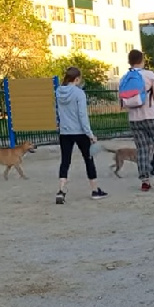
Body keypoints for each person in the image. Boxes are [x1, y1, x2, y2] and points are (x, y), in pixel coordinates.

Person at [54, 66, 107, 204]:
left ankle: (61, 190)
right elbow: (82, 115)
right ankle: (95, 190)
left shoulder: (58, 92)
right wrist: (90, 134)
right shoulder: (79, 93)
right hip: (80, 131)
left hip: (65, 131)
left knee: (65, 161)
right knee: (88, 160)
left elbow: (58, 111)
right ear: (77, 79)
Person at [122, 49, 154, 192]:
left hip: (134, 118)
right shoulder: (149, 75)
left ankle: (145, 181)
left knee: (142, 148)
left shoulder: (125, 77)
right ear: (142, 60)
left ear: (129, 61)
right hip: (151, 115)